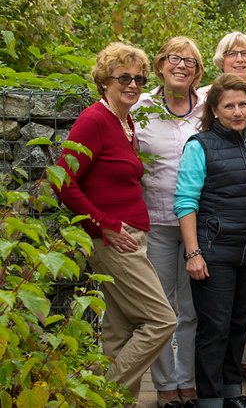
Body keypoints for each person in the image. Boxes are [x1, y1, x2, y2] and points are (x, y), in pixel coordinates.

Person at [53, 42, 177, 399]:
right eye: (124, 77)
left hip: (132, 235)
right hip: (113, 239)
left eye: (139, 78)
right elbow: (62, 179)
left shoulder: (125, 122)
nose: (134, 84)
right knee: (161, 321)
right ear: (104, 80)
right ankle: (104, 398)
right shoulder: (94, 120)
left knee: (118, 332)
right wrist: (103, 224)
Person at [174, 73, 246, 408]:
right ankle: (209, 397)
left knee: (239, 324)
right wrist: (193, 253)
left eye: (242, 104)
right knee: (214, 328)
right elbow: (185, 201)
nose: (237, 111)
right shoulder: (200, 146)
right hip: (214, 253)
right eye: (229, 106)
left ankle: (231, 391)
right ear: (215, 110)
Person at [133, 36, 205, 408]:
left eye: (190, 61)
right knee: (160, 309)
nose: (182, 66)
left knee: (192, 309)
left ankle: (187, 380)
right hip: (155, 223)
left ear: (198, 71)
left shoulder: (207, 110)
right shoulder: (140, 108)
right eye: (174, 59)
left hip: (198, 225)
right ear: (160, 64)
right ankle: (164, 385)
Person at [199, 31, 246, 123]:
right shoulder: (203, 96)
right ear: (222, 60)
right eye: (232, 54)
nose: (239, 59)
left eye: (244, 53)